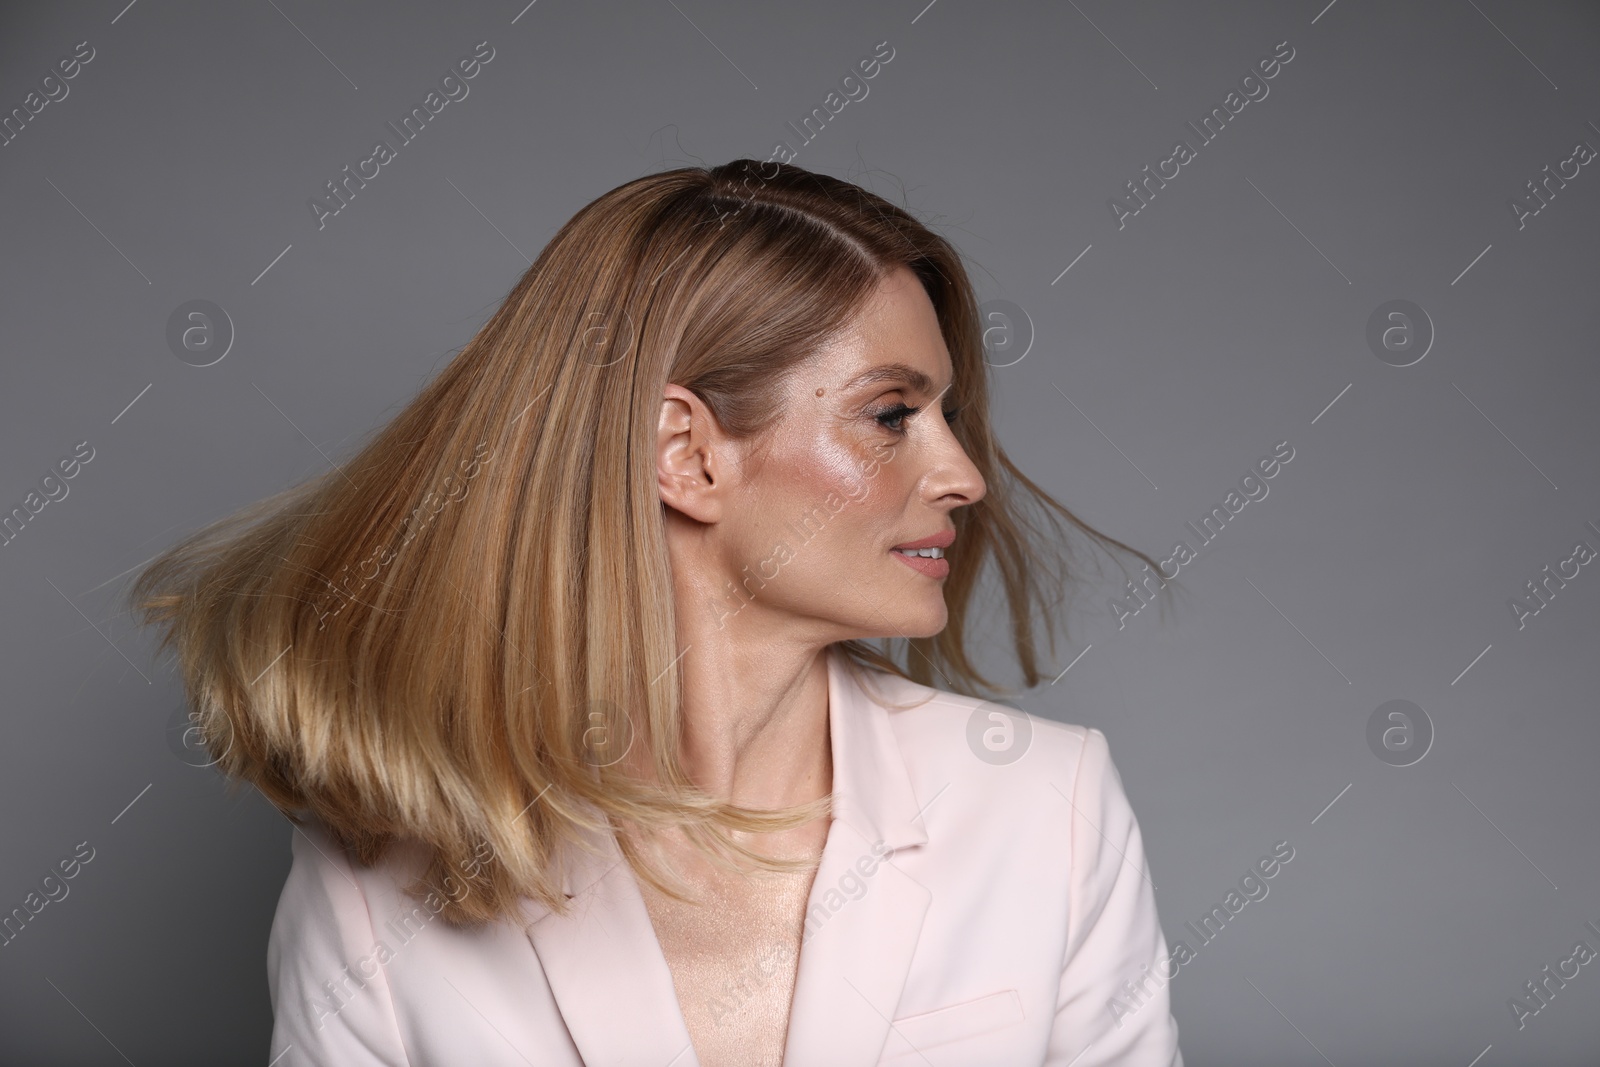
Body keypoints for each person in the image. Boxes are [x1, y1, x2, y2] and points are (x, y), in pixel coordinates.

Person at [129, 159, 1182, 1066]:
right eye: (890, 414)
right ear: (684, 451)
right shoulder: (374, 880)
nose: (962, 473)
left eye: (945, 415)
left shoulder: (1048, 806)